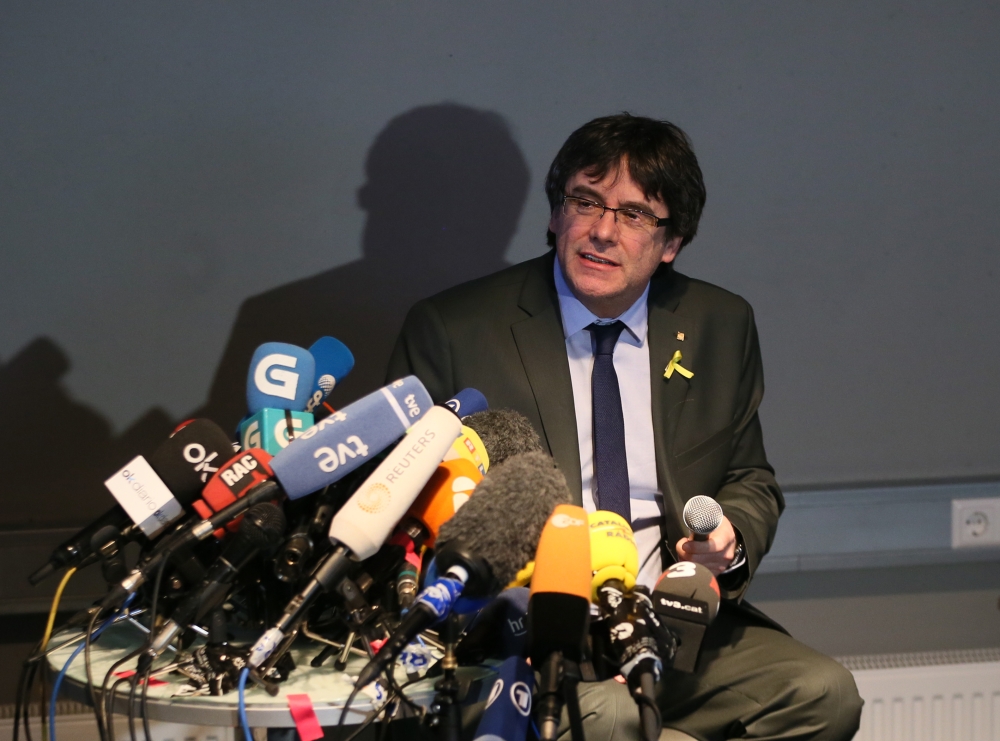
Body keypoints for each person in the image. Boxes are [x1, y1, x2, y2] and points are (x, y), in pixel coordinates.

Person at [387, 114, 862, 740]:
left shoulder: (720, 323)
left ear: (671, 243)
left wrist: (730, 540)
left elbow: (749, 476)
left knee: (821, 696)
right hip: (525, 633)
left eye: (635, 214)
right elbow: (412, 510)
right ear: (558, 212)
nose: (603, 232)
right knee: (612, 719)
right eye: (586, 201)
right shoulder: (454, 329)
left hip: (667, 625)